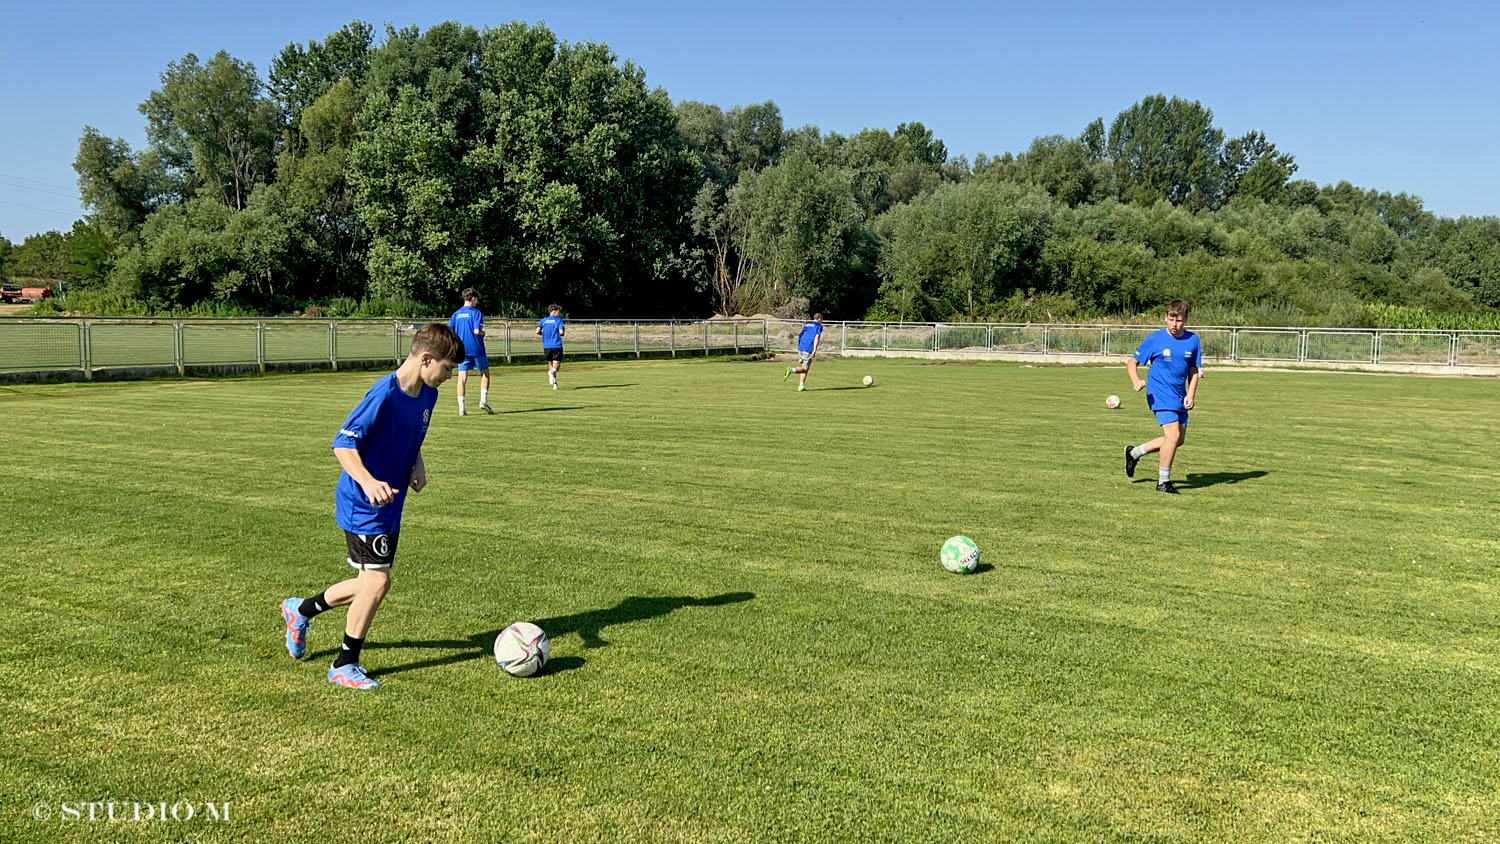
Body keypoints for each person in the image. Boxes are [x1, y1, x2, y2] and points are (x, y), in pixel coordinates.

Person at [278, 323, 463, 689]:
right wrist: (368, 481)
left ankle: (300, 610)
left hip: (391, 503)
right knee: (378, 582)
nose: (449, 376)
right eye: (447, 368)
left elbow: (413, 437)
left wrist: (418, 465)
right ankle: (344, 664)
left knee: (368, 583)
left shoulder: (428, 394)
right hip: (363, 504)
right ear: (427, 359)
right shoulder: (384, 394)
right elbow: (342, 444)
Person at [1123, 299, 1202, 494]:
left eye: (1179, 320)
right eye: (1171, 319)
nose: (1175, 324)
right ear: (1165, 317)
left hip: (1179, 395)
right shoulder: (1155, 339)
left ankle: (1135, 453)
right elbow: (1132, 363)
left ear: (1186, 319)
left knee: (1178, 440)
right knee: (1172, 436)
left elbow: (1193, 370)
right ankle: (1163, 482)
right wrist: (1136, 380)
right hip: (1159, 393)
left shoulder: (1193, 340)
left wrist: (1191, 394)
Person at [448, 288, 493, 415]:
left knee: (462, 378)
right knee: (485, 374)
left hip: (462, 349)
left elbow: (450, 331)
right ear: (473, 298)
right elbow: (477, 331)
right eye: (476, 299)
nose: (477, 301)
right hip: (476, 348)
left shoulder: (456, 314)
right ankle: (483, 401)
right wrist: (484, 333)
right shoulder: (476, 313)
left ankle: (462, 409)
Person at [783, 313, 824, 391]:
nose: (821, 321)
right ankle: (791, 370)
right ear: (819, 318)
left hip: (801, 346)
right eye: (821, 319)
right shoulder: (818, 326)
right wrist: (814, 349)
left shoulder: (807, 325)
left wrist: (800, 345)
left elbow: (800, 335)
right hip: (808, 347)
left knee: (804, 367)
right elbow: (817, 337)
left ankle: (801, 386)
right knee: (805, 369)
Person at [537, 304, 566, 389]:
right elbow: (561, 332)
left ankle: (555, 384)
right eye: (559, 312)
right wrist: (562, 332)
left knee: (550, 364)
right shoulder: (558, 320)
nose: (559, 314)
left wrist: (544, 334)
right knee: (557, 365)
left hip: (546, 345)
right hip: (556, 345)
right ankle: (552, 372)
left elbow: (537, 331)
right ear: (554, 311)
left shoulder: (543, 320)